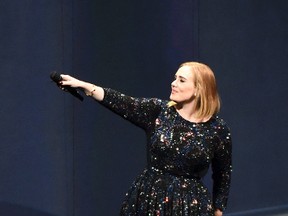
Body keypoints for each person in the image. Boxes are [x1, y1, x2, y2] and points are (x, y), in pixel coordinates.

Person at [59, 62, 232, 216]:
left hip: (190, 206)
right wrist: (84, 86)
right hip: (151, 198)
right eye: (175, 78)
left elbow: (223, 174)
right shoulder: (159, 111)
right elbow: (123, 102)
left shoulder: (217, 129)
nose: (173, 83)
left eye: (182, 80)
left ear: (198, 89)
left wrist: (218, 209)